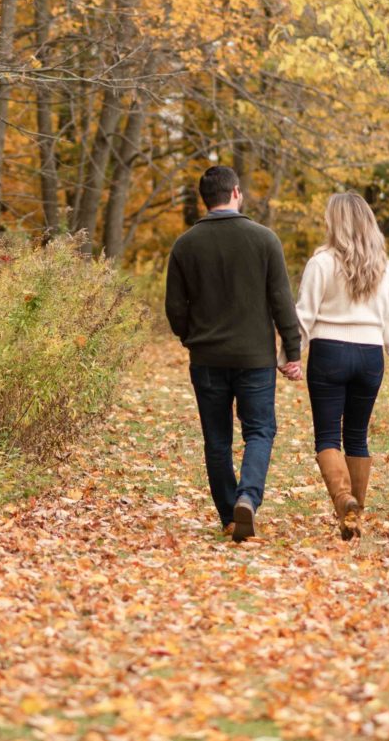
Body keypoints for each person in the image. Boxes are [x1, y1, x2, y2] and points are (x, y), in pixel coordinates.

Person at [165, 166, 303, 543]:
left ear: (204, 199)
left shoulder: (185, 244)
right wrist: (293, 350)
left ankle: (230, 516)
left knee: (217, 439)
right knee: (260, 430)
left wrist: (191, 337)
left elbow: (175, 309)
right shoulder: (264, 240)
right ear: (237, 193)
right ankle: (248, 498)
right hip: (254, 358)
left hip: (207, 359)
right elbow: (281, 302)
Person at [292, 193, 389, 540]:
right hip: (370, 356)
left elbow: (304, 315)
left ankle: (344, 500)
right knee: (357, 436)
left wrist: (292, 354)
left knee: (328, 436)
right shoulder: (383, 267)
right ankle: (353, 516)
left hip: (329, 353)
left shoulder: (321, 263)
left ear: (335, 222)